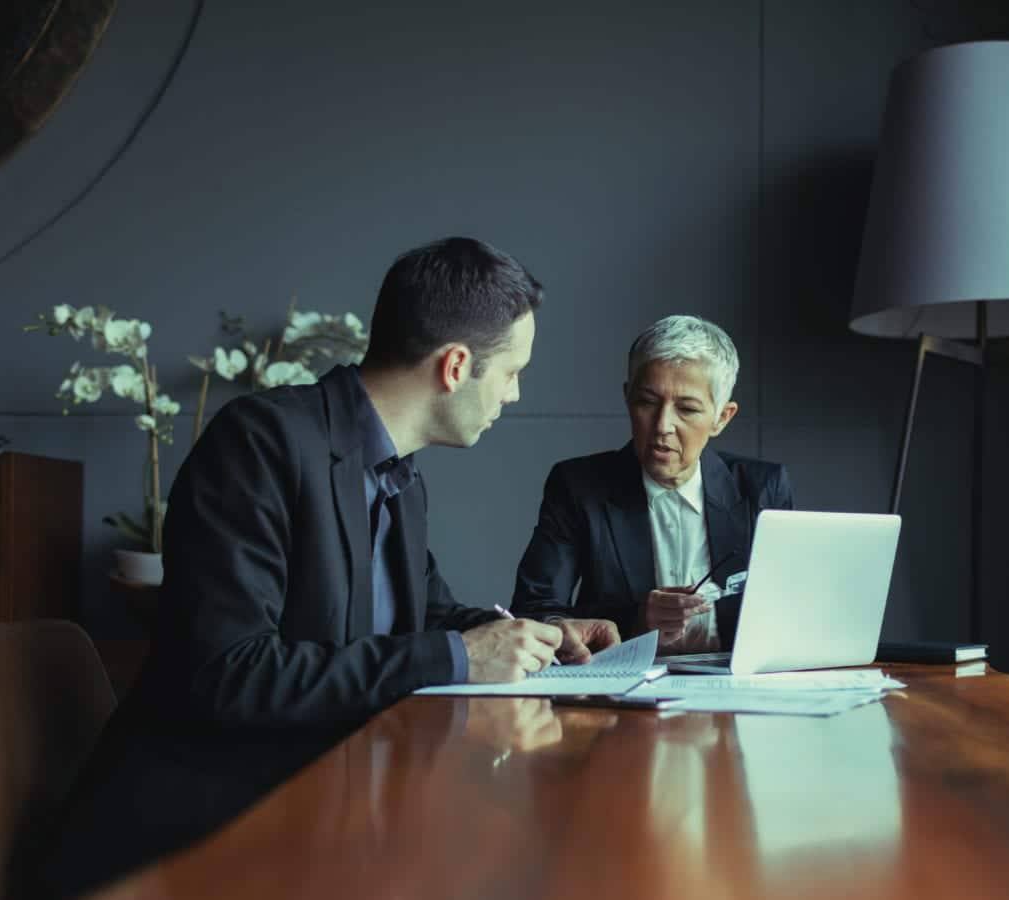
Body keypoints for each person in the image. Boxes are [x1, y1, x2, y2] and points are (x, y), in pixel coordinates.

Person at [41, 237, 619, 897]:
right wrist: (458, 657)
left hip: (325, 804)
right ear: (456, 366)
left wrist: (539, 633)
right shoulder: (260, 443)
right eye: (513, 371)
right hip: (201, 835)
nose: (514, 395)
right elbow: (229, 674)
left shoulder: (399, 474)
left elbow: (426, 613)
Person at [511, 315, 793, 652]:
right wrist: (637, 621)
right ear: (628, 398)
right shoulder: (578, 487)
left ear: (721, 417)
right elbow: (535, 613)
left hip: (734, 684)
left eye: (687, 409)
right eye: (647, 402)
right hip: (621, 686)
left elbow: (789, 610)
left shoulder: (762, 488)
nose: (663, 425)